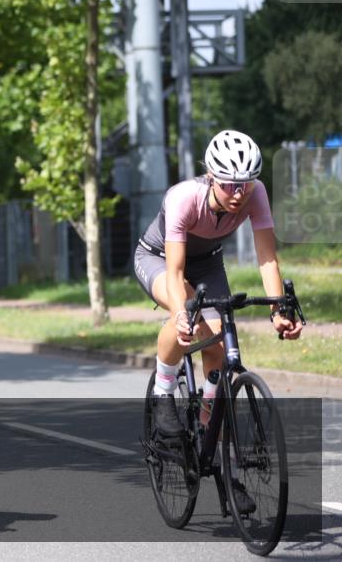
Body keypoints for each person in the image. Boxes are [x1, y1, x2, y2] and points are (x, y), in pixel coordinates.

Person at [134, 130, 303, 509]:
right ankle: (163, 390)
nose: (239, 193)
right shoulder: (183, 198)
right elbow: (176, 273)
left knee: (220, 352)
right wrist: (182, 314)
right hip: (159, 259)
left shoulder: (256, 194)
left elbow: (267, 258)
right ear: (210, 177)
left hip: (208, 263)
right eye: (229, 184)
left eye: (246, 183)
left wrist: (278, 311)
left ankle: (220, 456)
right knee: (191, 319)